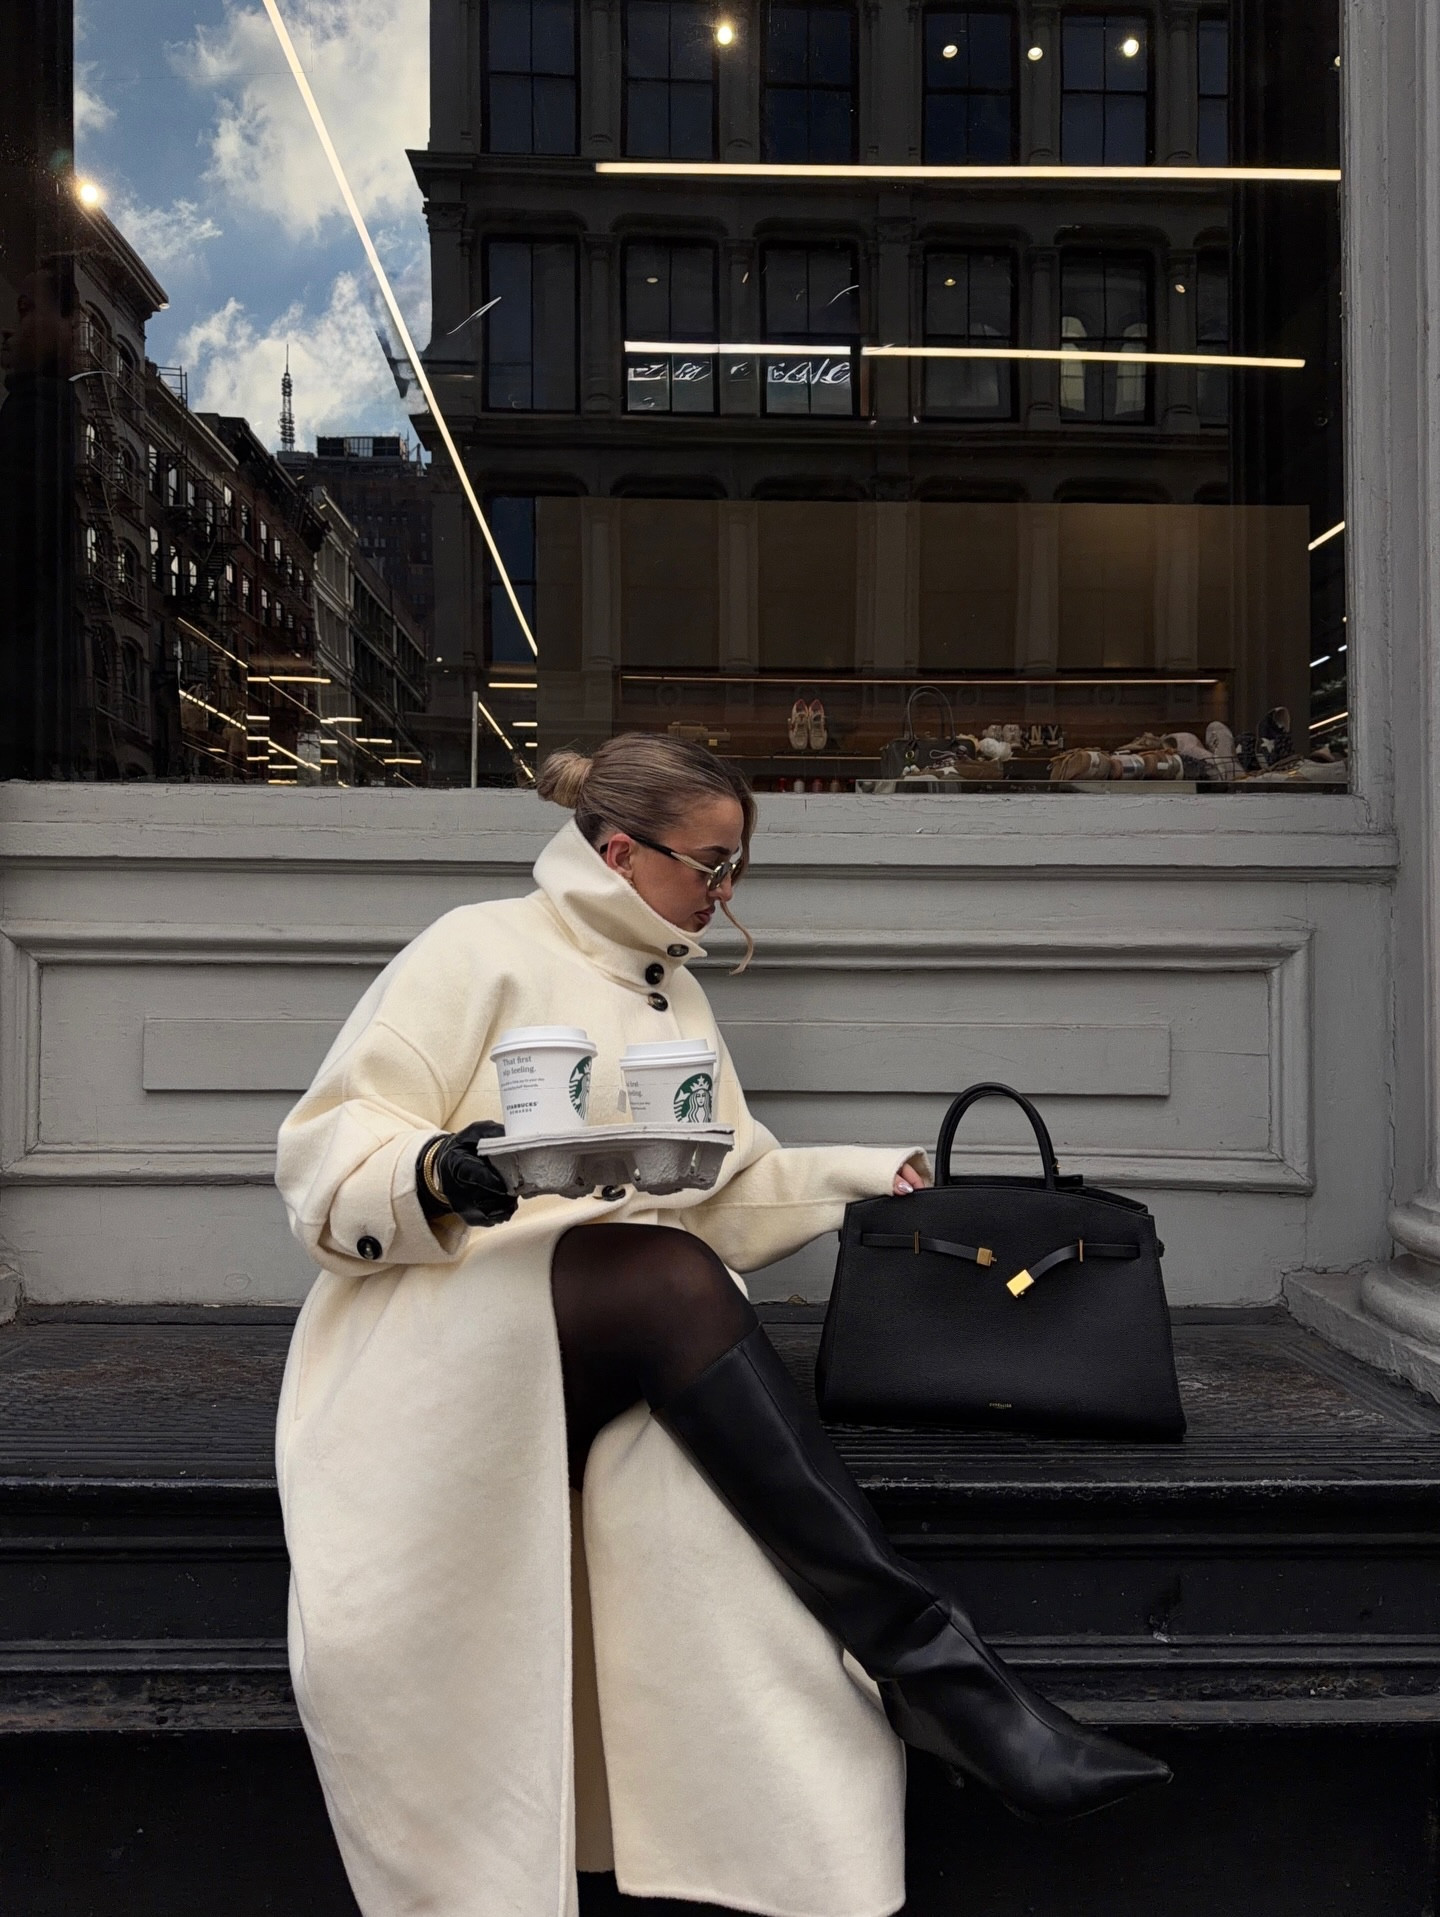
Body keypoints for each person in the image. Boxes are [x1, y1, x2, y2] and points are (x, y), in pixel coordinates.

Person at [274, 733, 1168, 1917]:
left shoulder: (673, 989)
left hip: (605, 1321)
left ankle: (936, 1680)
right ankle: (943, 1677)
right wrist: (445, 1172)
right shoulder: (476, 948)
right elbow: (325, 1155)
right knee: (666, 1275)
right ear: (618, 850)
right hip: (443, 1325)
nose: (726, 892)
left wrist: (875, 1182)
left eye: (738, 868)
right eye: (712, 864)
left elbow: (721, 1190)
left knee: (670, 1267)